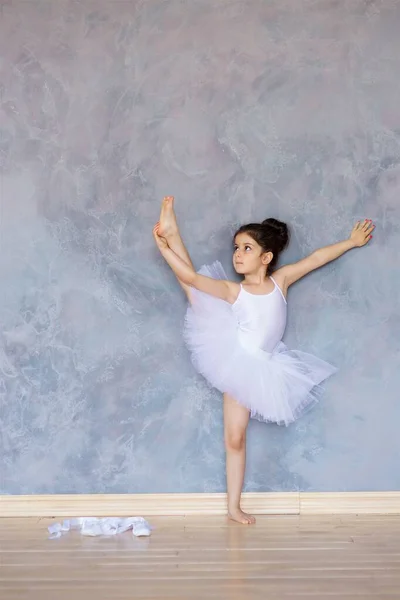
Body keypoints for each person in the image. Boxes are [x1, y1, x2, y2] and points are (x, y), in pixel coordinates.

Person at [153, 196, 374, 524]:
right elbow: (193, 278)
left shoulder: (280, 281)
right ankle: (171, 235)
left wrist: (351, 242)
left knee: (235, 436)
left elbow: (316, 258)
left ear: (266, 257)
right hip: (236, 356)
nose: (237, 254)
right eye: (236, 247)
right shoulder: (233, 290)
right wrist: (164, 250)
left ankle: (233, 506)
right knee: (197, 295)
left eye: (246, 248)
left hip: (262, 364)